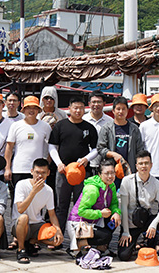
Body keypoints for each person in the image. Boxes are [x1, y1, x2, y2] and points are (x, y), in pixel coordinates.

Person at [4, 95, 53, 250]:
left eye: (34, 108)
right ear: (23, 110)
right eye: (28, 108)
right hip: (19, 168)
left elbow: (51, 147)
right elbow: (9, 148)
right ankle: (16, 236)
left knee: (38, 200)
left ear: (38, 110)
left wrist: (46, 165)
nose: (31, 111)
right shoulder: (16, 126)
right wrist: (7, 167)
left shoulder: (45, 127)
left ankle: (34, 236)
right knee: (17, 202)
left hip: (38, 171)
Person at [49, 96, 99, 233]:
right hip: (63, 172)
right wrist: (59, 163)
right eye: (75, 108)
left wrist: (87, 158)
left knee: (81, 205)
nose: (78, 111)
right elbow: (52, 146)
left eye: (81, 108)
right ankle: (58, 235)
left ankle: (78, 236)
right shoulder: (60, 126)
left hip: (82, 172)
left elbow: (96, 149)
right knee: (61, 205)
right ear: (69, 108)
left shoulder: (89, 128)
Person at [118, 150, 159, 262]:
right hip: (131, 223)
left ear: (151, 165)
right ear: (136, 166)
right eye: (141, 163)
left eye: (146, 163)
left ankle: (158, 247)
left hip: (147, 221)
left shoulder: (156, 183)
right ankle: (137, 245)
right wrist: (125, 231)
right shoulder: (127, 181)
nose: (143, 166)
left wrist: (154, 224)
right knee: (124, 256)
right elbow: (123, 208)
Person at [66, 158, 122, 256]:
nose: (110, 176)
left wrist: (116, 212)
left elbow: (113, 203)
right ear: (99, 174)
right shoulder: (92, 189)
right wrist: (100, 213)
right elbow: (81, 211)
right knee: (105, 236)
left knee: (114, 220)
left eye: (112, 173)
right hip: (79, 222)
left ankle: (101, 247)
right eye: (106, 173)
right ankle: (78, 244)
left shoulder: (111, 185)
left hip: (95, 220)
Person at [14, 158, 63, 264]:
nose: (40, 176)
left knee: (56, 240)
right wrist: (33, 192)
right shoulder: (21, 184)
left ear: (48, 173)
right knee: (24, 218)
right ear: (32, 171)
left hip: (37, 225)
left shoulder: (48, 190)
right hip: (20, 224)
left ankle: (31, 242)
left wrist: (58, 230)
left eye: (43, 173)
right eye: (37, 172)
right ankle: (21, 249)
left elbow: (52, 214)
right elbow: (20, 209)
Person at [97, 96, 144, 185]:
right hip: (111, 171)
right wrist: (113, 154)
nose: (121, 112)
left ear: (127, 111)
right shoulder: (106, 128)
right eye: (118, 109)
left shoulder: (134, 129)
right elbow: (100, 148)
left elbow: (140, 150)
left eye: (123, 109)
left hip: (129, 169)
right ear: (113, 111)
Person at [84, 91, 113, 176]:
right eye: (93, 102)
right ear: (89, 104)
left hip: (105, 164)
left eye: (99, 102)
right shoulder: (83, 119)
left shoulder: (110, 121)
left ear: (104, 103)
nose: (96, 104)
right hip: (86, 164)